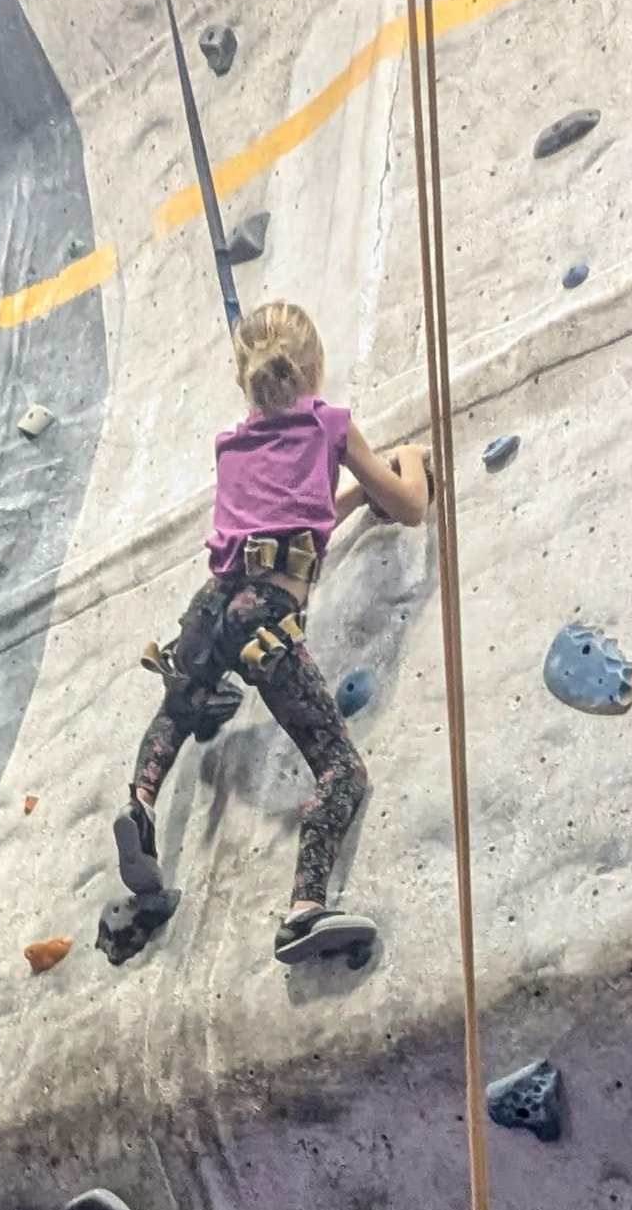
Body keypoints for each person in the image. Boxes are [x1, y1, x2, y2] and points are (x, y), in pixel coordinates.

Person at [110, 299, 430, 962]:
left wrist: (346, 502)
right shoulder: (331, 426)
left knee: (180, 703)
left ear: (244, 380)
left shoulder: (233, 445)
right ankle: (305, 909)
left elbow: (291, 526)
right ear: (315, 369)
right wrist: (410, 459)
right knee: (341, 769)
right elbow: (410, 508)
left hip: (211, 607)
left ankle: (140, 801)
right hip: (267, 621)